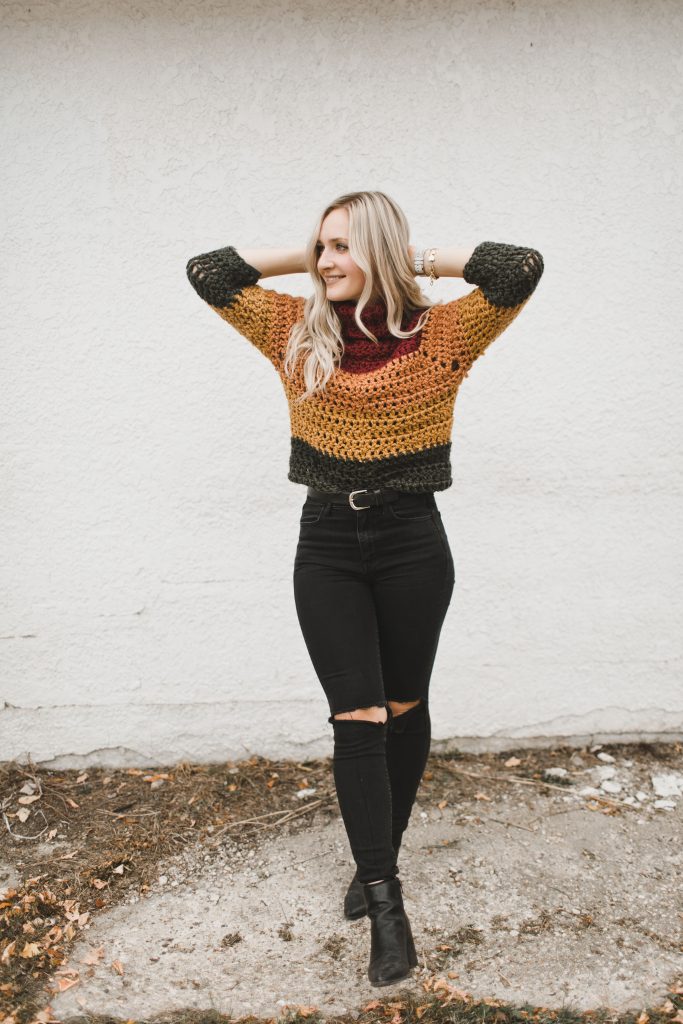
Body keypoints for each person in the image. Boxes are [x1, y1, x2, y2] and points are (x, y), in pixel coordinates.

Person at [186, 190, 544, 987]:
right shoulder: (293, 330)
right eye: (321, 248)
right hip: (327, 547)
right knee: (357, 715)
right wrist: (311, 257)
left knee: (405, 706)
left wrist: (407, 259)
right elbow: (208, 272)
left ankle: (372, 853)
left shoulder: (443, 335)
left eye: (343, 247)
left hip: (413, 542)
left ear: (379, 250)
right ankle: (387, 902)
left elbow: (517, 270)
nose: (325, 262)